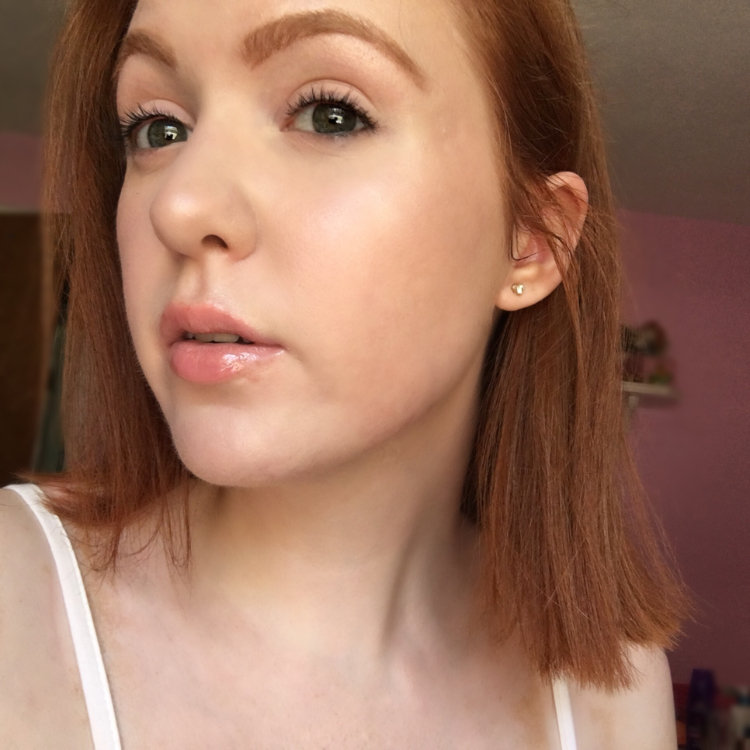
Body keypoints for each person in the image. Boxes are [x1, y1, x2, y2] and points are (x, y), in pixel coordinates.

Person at [0, 0, 686, 746]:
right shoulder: (17, 600)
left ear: (530, 241)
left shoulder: (609, 693)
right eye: (157, 128)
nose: (181, 204)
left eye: (330, 115)